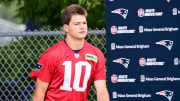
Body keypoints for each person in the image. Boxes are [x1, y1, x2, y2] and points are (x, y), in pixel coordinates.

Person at [29, 4, 109, 101]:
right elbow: (39, 93)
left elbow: (101, 90)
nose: (82, 27)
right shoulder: (50, 55)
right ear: (66, 28)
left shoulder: (96, 54)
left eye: (84, 23)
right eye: (77, 24)